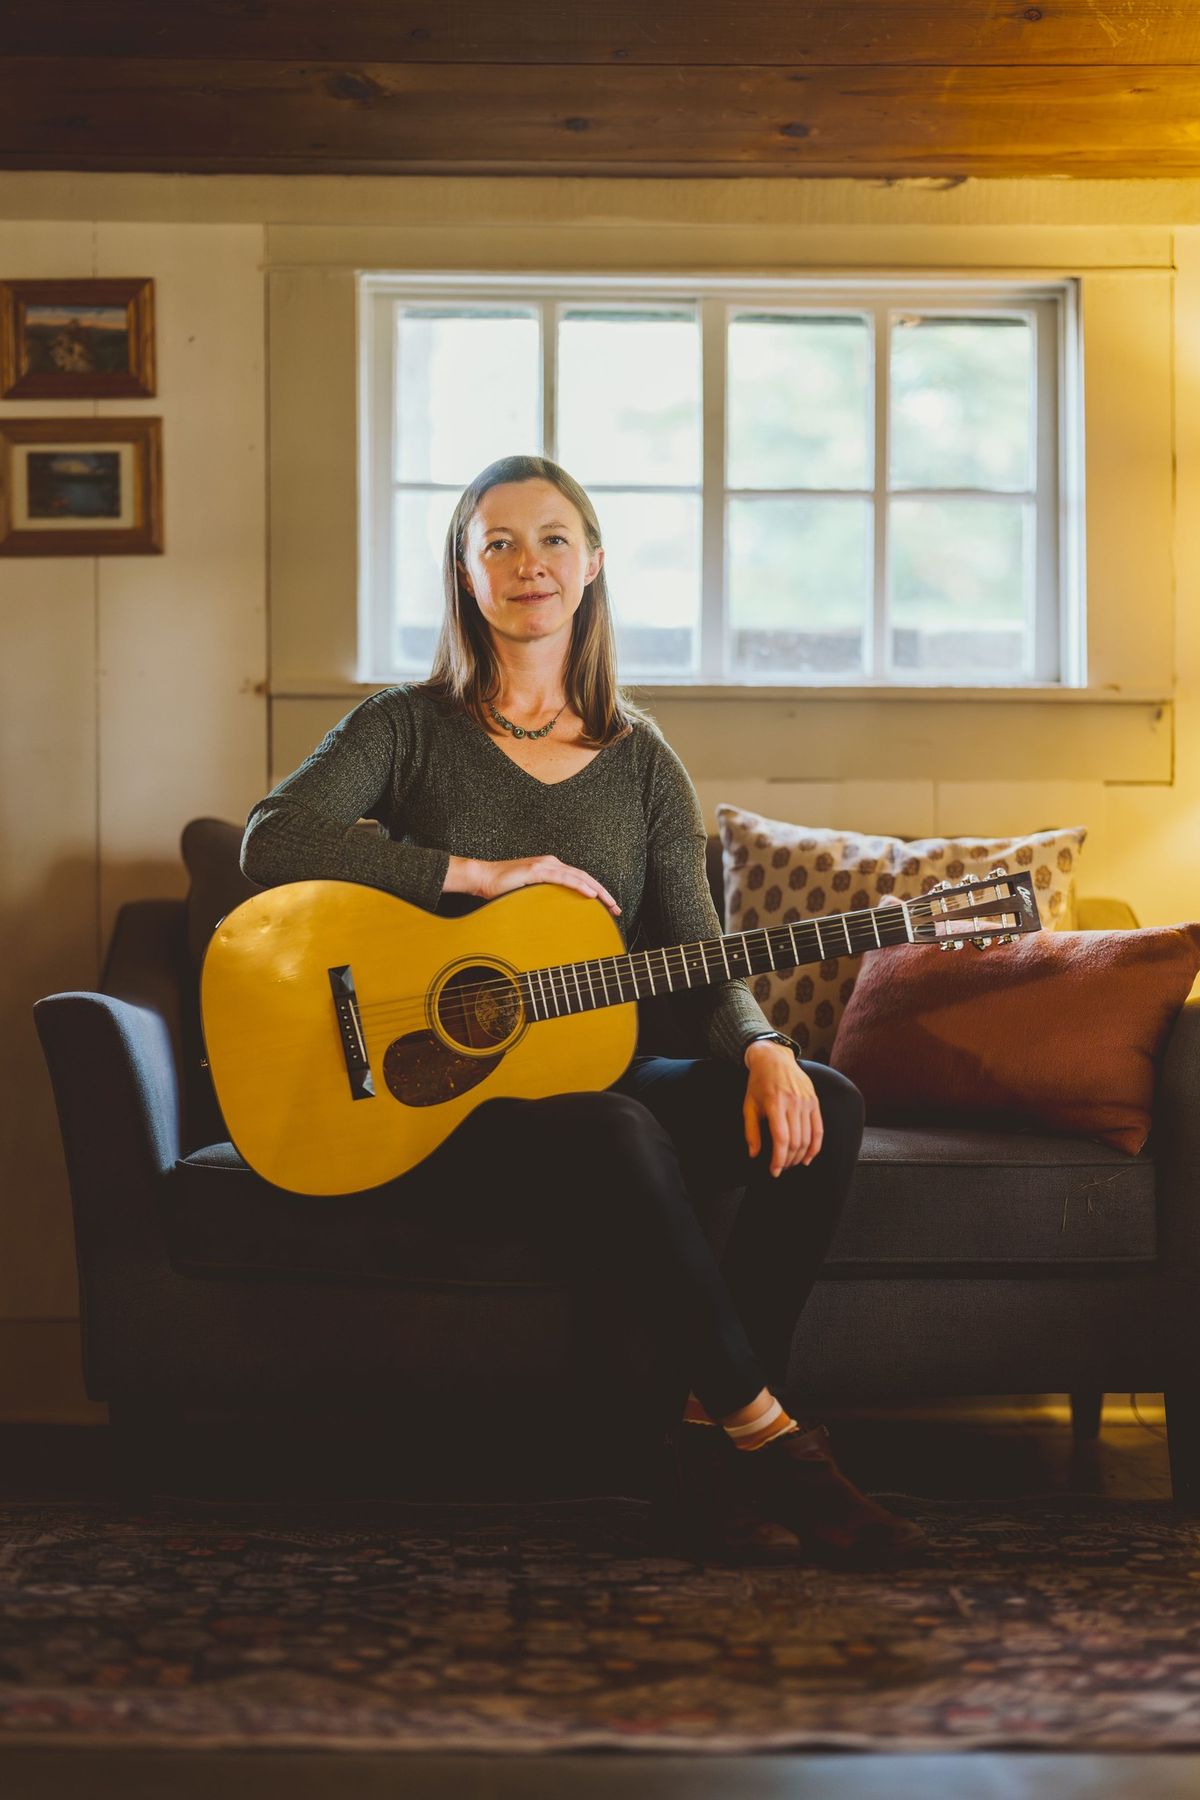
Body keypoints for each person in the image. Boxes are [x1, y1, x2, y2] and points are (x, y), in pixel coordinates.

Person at [240, 453, 924, 1565]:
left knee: (827, 1102)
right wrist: (478, 875)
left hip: (591, 1073)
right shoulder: (405, 726)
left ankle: (706, 1445)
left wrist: (759, 1045)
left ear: (593, 564)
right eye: (496, 541)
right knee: (615, 1125)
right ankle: (777, 1443)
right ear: (465, 574)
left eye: (553, 539)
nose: (528, 564)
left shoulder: (643, 758)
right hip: (440, 1102)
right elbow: (273, 839)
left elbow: (699, 946)